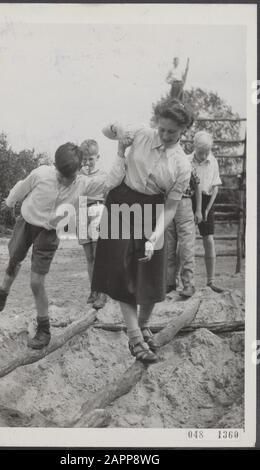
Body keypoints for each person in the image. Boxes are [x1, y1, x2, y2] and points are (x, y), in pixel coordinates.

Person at [0, 142, 126, 349]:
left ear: (79, 171)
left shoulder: (84, 184)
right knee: (13, 261)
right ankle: (0, 298)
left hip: (50, 232)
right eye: (61, 175)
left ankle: (44, 329)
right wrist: (9, 202)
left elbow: (112, 180)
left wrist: (121, 153)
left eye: (71, 177)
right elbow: (21, 187)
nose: (65, 181)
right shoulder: (41, 174)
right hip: (27, 222)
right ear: (55, 166)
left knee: (36, 282)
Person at [92, 98, 194, 364]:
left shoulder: (182, 165)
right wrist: (117, 129)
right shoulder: (140, 133)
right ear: (156, 123)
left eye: (172, 131)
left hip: (153, 211)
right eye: (162, 128)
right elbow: (107, 131)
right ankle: (135, 337)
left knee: (151, 274)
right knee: (121, 271)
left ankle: (144, 324)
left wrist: (155, 235)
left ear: (183, 130)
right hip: (121, 202)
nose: (165, 135)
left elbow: (171, 207)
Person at [189, 130, 224, 293]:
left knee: (208, 239)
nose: (203, 156)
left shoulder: (213, 161)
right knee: (185, 241)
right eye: (200, 152)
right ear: (194, 147)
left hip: (207, 201)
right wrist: (195, 209)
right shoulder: (187, 161)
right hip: (189, 200)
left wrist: (206, 210)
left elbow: (215, 187)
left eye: (206, 153)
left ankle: (211, 281)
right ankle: (179, 281)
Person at [78, 139, 107, 309]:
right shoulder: (78, 175)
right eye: (84, 159)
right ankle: (94, 289)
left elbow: (108, 194)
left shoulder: (103, 175)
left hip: (97, 210)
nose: (87, 162)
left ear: (98, 157)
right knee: (89, 256)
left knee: (99, 255)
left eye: (91, 159)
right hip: (81, 211)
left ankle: (102, 292)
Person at [166, 161, 202, 297]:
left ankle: (188, 284)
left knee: (186, 245)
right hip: (167, 204)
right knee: (168, 247)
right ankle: (169, 283)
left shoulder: (186, 162)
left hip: (184, 202)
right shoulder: (161, 162)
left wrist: (198, 209)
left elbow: (197, 186)